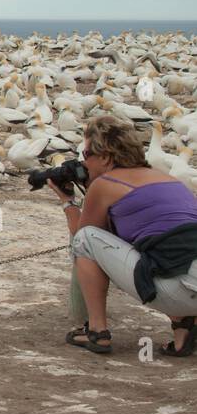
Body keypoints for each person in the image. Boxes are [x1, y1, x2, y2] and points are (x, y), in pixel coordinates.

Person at [52, 115, 197, 354]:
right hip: (190, 279)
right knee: (166, 250)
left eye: (87, 155)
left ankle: (97, 331)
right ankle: (182, 332)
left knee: (86, 239)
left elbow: (84, 235)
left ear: (106, 157)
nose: (84, 163)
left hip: (176, 291)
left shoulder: (105, 185)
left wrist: (68, 203)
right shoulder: (170, 180)